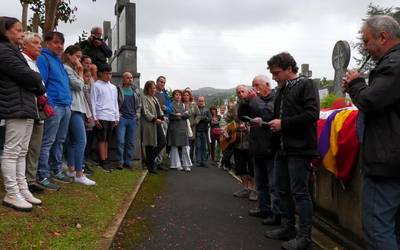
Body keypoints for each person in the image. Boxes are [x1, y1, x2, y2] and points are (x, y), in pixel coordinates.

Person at [342, 15, 400, 250]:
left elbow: (370, 100)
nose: (364, 48)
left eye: (366, 42)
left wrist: (356, 83)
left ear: (383, 37)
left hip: (386, 162)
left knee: (377, 228)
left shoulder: (393, 64)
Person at [264, 52, 319, 250]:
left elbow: (312, 114)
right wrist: (269, 123)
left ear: (289, 69)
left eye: (277, 73)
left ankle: (305, 237)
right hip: (282, 148)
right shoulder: (281, 89)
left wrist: (283, 124)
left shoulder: (306, 84)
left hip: (300, 149)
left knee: (300, 193)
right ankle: (288, 228)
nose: (274, 77)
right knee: (282, 189)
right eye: (272, 73)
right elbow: (279, 116)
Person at [0, 16, 45, 211]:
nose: (20, 33)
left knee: (22, 151)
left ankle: (22, 188)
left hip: (25, 105)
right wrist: (36, 79)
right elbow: (27, 75)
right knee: (12, 151)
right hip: (14, 106)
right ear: (4, 31)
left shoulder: (13, 51)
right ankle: (11, 192)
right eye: (17, 30)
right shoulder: (3, 50)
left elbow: (31, 79)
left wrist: (35, 81)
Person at [36, 31, 73, 190]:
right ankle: (42, 173)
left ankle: (56, 169)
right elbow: (41, 83)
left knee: (60, 140)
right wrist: (48, 104)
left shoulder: (58, 61)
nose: (60, 46)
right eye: (56, 42)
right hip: (54, 106)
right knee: (48, 141)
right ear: (47, 43)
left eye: (61, 43)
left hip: (65, 105)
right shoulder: (43, 58)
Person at [63, 45, 96, 185]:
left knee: (73, 141)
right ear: (68, 55)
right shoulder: (67, 68)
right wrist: (81, 72)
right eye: (76, 56)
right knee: (81, 140)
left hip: (78, 108)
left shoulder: (73, 70)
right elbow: (78, 86)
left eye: (79, 57)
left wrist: (88, 112)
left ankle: (71, 169)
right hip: (74, 108)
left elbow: (82, 92)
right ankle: (79, 173)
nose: (78, 59)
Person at [21, 31, 47, 193]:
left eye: (40, 43)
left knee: (35, 146)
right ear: (25, 44)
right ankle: (21, 180)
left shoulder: (35, 63)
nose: (40, 47)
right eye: (36, 43)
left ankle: (30, 179)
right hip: (27, 107)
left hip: (39, 109)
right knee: (22, 147)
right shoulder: (22, 60)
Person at [91, 63, 119, 172]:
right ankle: (102, 160)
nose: (108, 76)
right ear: (100, 74)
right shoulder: (96, 85)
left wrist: (116, 116)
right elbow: (93, 101)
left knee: (108, 139)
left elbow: (115, 102)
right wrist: (95, 117)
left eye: (110, 74)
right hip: (101, 115)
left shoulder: (113, 87)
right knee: (102, 139)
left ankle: (106, 158)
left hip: (111, 116)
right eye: (106, 74)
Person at [231, 85, 255, 200]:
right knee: (240, 168)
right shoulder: (235, 107)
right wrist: (224, 130)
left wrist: (248, 129)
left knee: (252, 167)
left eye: (242, 91)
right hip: (237, 141)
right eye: (238, 92)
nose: (240, 94)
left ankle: (254, 190)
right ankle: (246, 188)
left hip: (251, 142)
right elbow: (225, 118)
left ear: (247, 92)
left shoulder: (254, 104)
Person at [116, 72, 141, 169]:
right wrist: (118, 115)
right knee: (120, 141)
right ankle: (120, 162)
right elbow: (115, 102)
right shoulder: (118, 90)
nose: (130, 79)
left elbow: (139, 105)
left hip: (132, 119)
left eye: (131, 78)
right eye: (127, 78)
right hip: (122, 118)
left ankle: (128, 161)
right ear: (123, 79)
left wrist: (137, 115)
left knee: (130, 142)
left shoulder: (136, 91)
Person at [141, 80, 164, 174]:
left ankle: (149, 161)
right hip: (150, 124)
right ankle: (150, 166)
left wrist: (163, 117)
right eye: (152, 88)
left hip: (157, 124)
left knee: (162, 142)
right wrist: (155, 119)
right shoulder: (145, 98)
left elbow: (159, 110)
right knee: (150, 145)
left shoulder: (154, 98)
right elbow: (146, 112)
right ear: (147, 88)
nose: (154, 89)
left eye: (154, 88)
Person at [167, 89, 192, 171]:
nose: (178, 96)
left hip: (183, 128)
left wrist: (179, 115)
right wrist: (181, 115)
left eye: (179, 95)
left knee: (185, 146)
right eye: (176, 94)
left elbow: (188, 114)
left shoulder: (184, 105)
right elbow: (170, 115)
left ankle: (186, 164)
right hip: (174, 128)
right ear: (173, 96)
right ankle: (176, 165)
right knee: (174, 147)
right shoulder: (170, 105)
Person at [153, 76, 170, 169]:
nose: (162, 84)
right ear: (157, 82)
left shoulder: (165, 95)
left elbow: (169, 108)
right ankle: (153, 161)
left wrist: (166, 108)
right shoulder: (152, 92)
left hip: (163, 121)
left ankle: (159, 161)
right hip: (154, 120)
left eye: (164, 82)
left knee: (162, 142)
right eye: (161, 82)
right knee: (154, 141)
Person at [182, 90, 200, 163]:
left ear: (190, 96)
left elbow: (198, 115)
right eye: (185, 95)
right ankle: (183, 160)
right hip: (182, 127)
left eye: (187, 95)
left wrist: (195, 122)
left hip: (192, 127)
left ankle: (190, 159)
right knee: (183, 143)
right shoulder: (181, 104)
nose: (186, 96)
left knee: (191, 144)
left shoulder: (193, 104)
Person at [195, 96, 211, 167]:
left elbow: (210, 119)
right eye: (199, 101)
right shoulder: (196, 109)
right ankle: (198, 161)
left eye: (202, 101)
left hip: (204, 130)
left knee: (204, 147)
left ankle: (203, 161)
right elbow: (195, 119)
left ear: (204, 101)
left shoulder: (207, 109)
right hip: (197, 130)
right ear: (197, 101)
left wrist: (204, 118)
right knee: (198, 146)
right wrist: (203, 118)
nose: (201, 102)